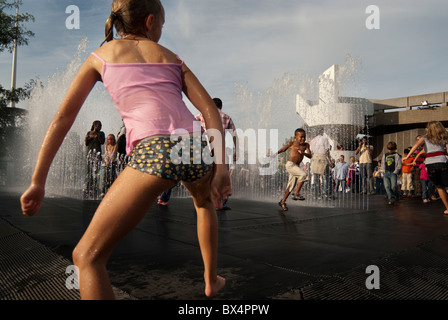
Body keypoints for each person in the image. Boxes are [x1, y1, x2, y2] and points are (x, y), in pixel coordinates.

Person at [20, 0, 231, 300]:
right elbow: (209, 109)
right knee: (203, 203)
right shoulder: (171, 57)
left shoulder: (100, 56)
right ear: (149, 22)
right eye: (162, 23)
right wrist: (221, 167)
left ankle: (211, 279)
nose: (161, 29)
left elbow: (63, 119)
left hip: (154, 149)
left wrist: (38, 180)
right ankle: (211, 279)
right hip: (194, 146)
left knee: (87, 257)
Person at [196, 98, 236, 210]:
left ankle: (202, 201)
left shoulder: (201, 115)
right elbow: (234, 134)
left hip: (204, 150)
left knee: (205, 176)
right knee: (220, 176)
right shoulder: (227, 117)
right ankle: (221, 204)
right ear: (221, 106)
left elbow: (192, 126)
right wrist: (236, 150)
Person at [404, 121, 448, 214]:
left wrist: (408, 156)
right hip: (442, 162)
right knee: (447, 186)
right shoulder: (443, 137)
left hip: (430, 164)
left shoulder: (425, 138)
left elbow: (416, 146)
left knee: (439, 187)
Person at [276, 128, 311, 211]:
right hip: (290, 165)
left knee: (291, 185)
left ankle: (283, 202)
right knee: (303, 175)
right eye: (301, 137)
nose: (303, 139)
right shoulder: (291, 143)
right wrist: (274, 154)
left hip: (296, 166)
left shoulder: (306, 145)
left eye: (304, 137)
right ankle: (296, 193)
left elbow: (310, 155)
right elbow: (283, 149)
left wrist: (303, 153)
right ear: (295, 137)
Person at [84, 120, 105, 197]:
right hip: (89, 154)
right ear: (94, 125)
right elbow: (86, 144)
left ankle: (95, 187)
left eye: (100, 126)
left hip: (97, 154)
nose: (100, 127)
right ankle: (88, 186)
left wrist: (97, 136)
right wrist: (87, 138)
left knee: (96, 172)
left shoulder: (101, 133)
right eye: (99, 125)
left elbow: (102, 142)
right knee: (89, 171)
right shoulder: (89, 133)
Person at [309, 129, 331, 199]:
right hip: (322, 157)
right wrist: (330, 160)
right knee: (327, 176)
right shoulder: (324, 139)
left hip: (315, 158)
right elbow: (327, 151)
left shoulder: (313, 140)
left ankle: (317, 195)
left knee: (316, 177)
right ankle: (327, 194)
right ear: (322, 132)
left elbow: (311, 152)